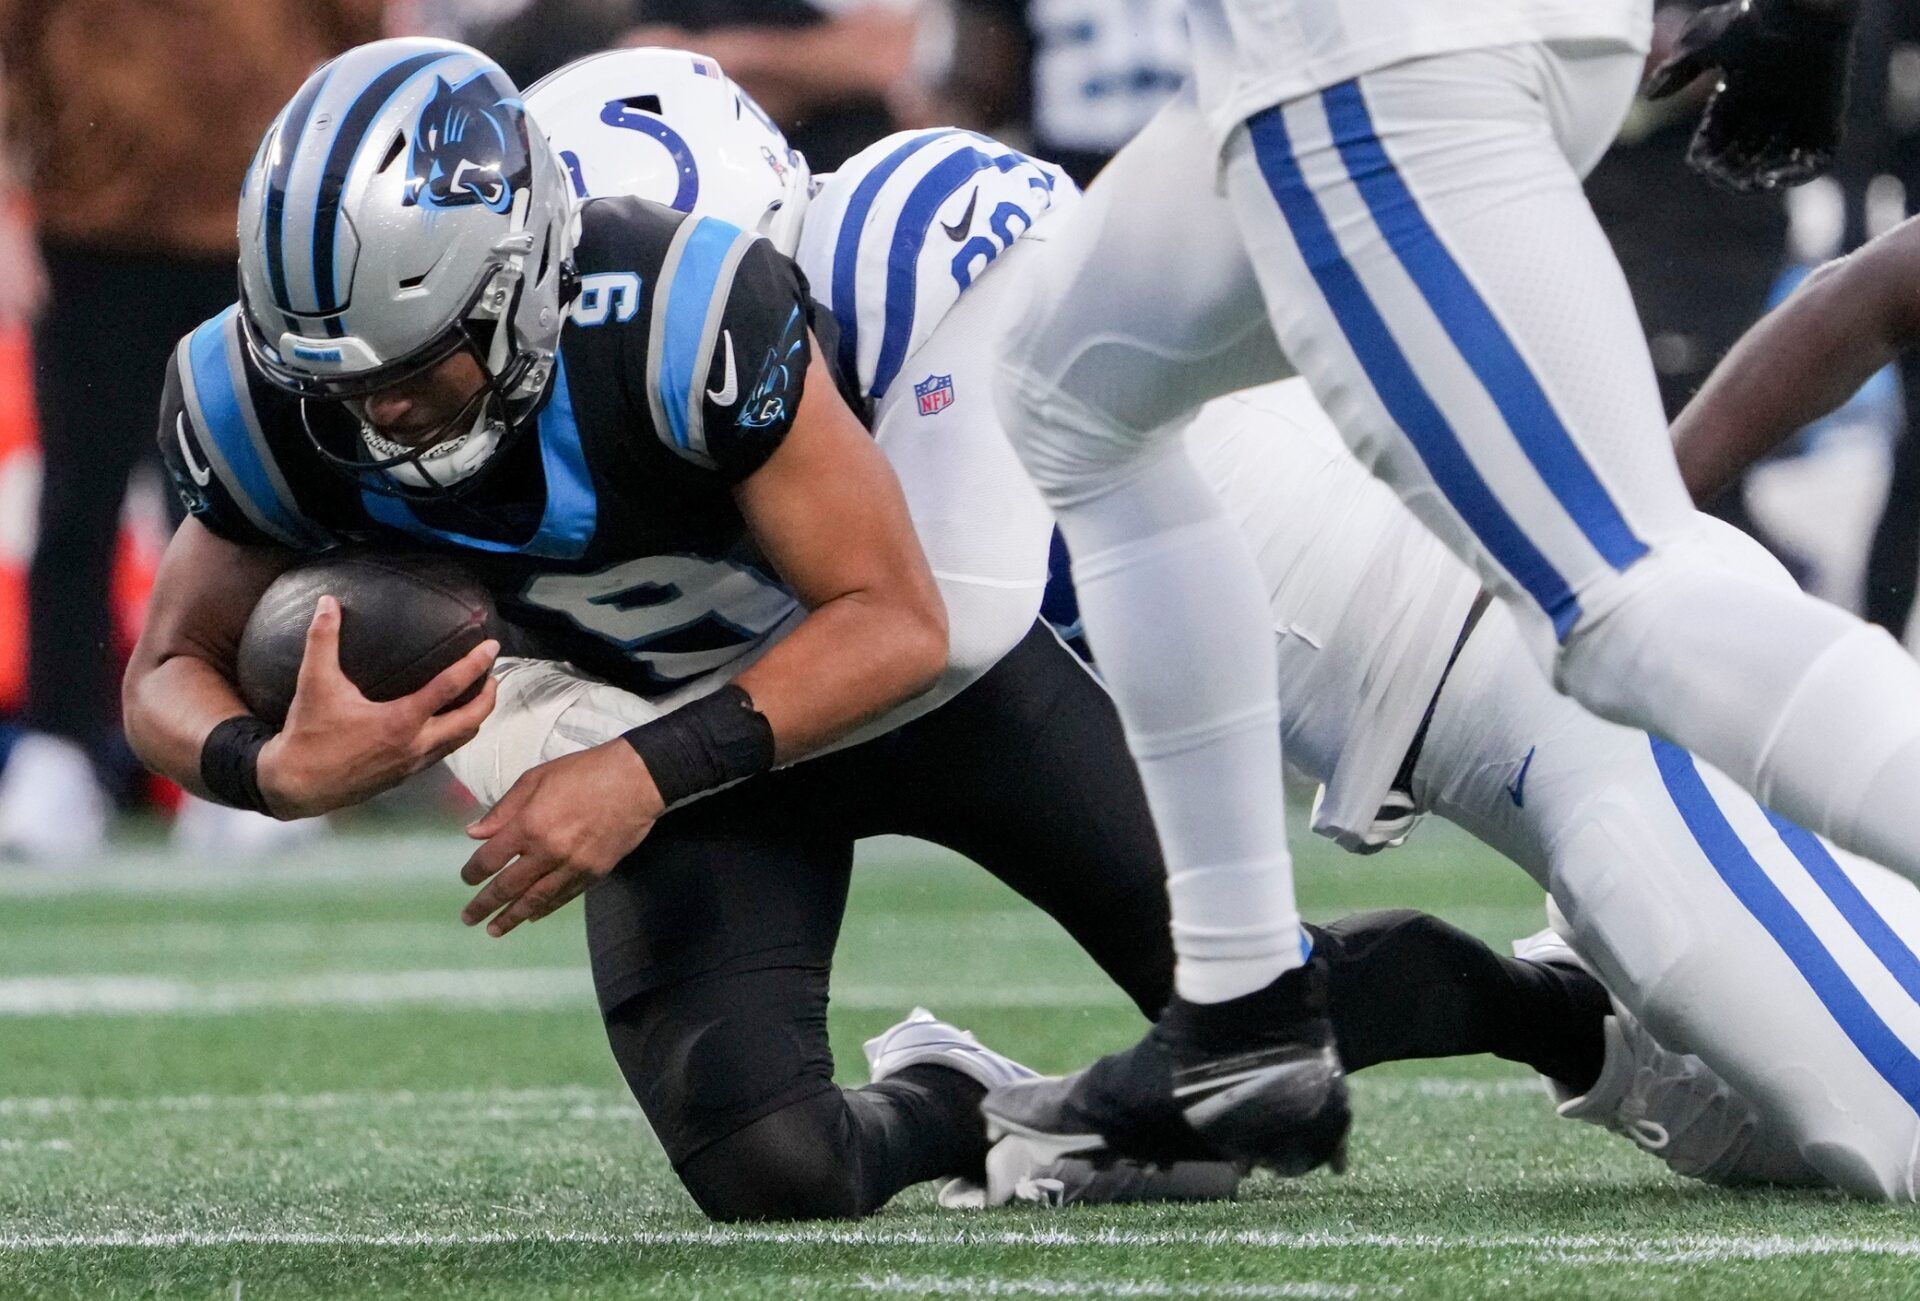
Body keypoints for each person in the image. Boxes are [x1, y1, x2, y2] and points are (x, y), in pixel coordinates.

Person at [978, 0, 1904, 1176]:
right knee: (1065, 398)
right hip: (1337, 52)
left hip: (1372, 43)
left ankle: (1245, 1003)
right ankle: (1240, 1000)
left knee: (1620, 610)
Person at [0, 0, 385, 861]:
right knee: (77, 503)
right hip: (89, 227)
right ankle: (60, 751)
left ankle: (248, 749)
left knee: (252, 502)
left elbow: (369, 47)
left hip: (261, 233)